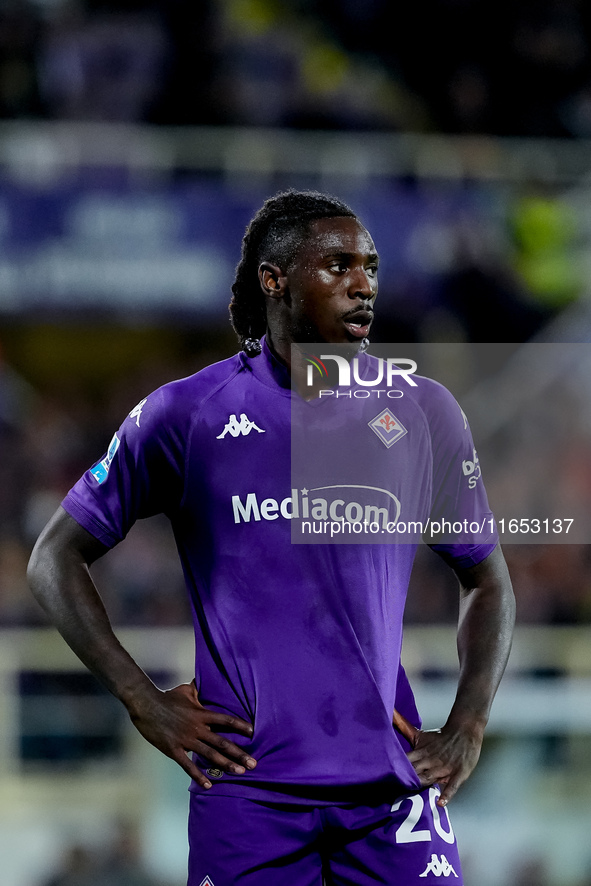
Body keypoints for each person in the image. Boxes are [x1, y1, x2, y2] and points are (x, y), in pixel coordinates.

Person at [28, 189, 515, 885]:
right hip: (247, 791)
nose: (362, 286)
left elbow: (487, 579)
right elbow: (53, 559)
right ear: (274, 279)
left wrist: (467, 725)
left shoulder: (420, 409)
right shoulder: (187, 414)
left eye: (370, 268)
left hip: (391, 786)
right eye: (338, 265)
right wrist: (142, 700)